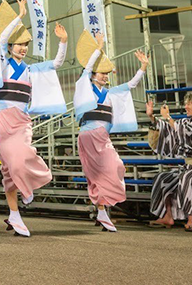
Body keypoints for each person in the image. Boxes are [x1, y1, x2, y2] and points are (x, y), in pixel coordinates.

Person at [0, 0, 68, 237]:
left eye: (25, 45)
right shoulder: (2, 65)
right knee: (14, 164)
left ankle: (17, 208)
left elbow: (57, 63)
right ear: (11, 46)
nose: (22, 48)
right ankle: (20, 201)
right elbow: (0, 41)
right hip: (1, 120)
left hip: (22, 121)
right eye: (18, 44)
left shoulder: (30, 70)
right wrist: (19, 17)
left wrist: (63, 42)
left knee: (18, 162)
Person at [73, 32, 148, 232]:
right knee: (98, 173)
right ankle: (102, 212)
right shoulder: (85, 86)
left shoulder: (110, 93)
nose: (105, 76)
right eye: (101, 73)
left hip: (102, 137)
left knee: (115, 167)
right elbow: (87, 68)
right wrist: (99, 46)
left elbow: (131, 85)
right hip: (90, 135)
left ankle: (101, 211)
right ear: (92, 75)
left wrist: (143, 67)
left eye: (107, 73)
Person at [147, 92, 192, 231]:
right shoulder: (184, 122)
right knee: (162, 178)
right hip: (186, 165)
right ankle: (167, 215)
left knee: (186, 178)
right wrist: (151, 117)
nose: (186, 106)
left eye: (189, 104)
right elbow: (169, 129)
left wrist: (168, 117)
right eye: (186, 103)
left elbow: (186, 132)